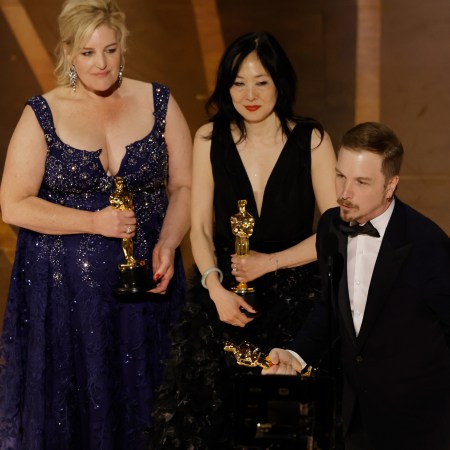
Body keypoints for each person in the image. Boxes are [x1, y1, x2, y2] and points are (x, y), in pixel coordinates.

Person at [0, 0, 192, 448]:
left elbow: (184, 187)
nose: (102, 63)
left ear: (123, 46)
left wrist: (167, 242)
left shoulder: (158, 100)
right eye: (88, 53)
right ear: (67, 52)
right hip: (65, 296)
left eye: (110, 49)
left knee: (149, 402)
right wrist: (95, 222)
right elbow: (13, 205)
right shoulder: (41, 113)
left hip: (148, 286)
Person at [150, 31, 337, 449]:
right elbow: (198, 228)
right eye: (238, 83)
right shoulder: (207, 138)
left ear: (280, 83)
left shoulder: (313, 140)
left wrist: (270, 263)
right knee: (207, 426)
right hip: (221, 300)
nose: (249, 94)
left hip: (295, 298)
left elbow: (333, 231)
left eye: (261, 82)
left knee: (284, 431)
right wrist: (215, 288)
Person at [263, 122, 450, 450]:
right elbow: (329, 306)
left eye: (361, 182)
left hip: (418, 424)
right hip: (353, 418)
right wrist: (296, 354)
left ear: (390, 185)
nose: (344, 193)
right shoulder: (330, 227)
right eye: (340, 175)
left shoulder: (428, 245)